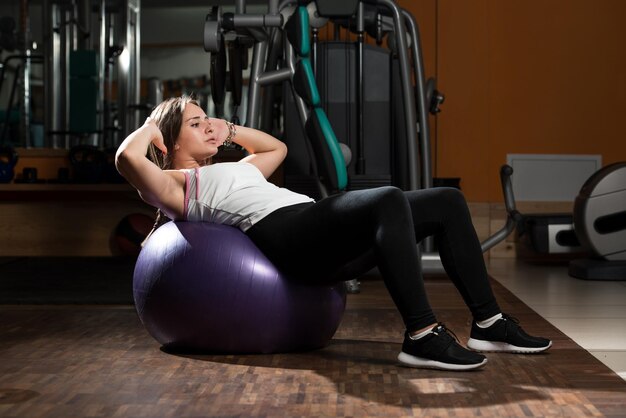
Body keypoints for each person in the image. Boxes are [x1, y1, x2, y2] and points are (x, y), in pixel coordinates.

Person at [115, 95, 551, 371]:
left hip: (315, 226)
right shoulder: (175, 184)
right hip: (289, 238)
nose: (205, 125)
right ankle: (421, 335)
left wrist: (227, 129)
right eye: (194, 123)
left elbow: (275, 148)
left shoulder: (236, 168)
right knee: (387, 198)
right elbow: (125, 158)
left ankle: (489, 323)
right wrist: (152, 128)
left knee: (447, 203)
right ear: (169, 142)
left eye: (205, 118)